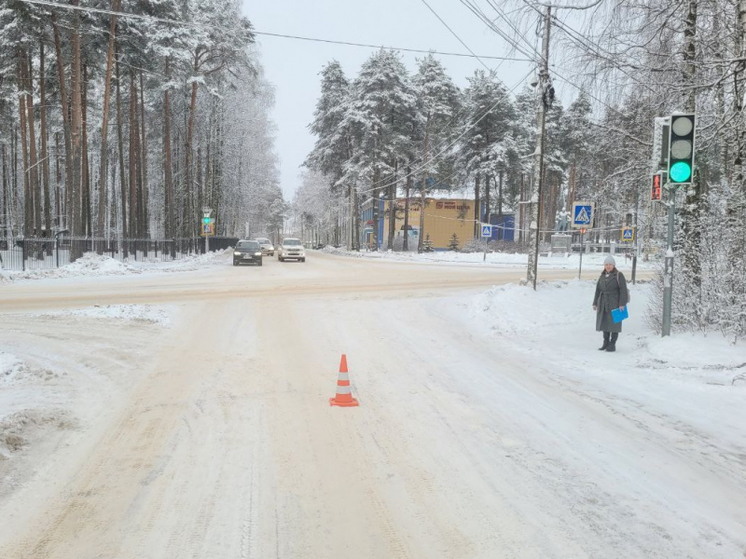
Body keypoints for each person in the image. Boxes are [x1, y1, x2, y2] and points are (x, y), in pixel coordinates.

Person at [592, 255, 629, 352]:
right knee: (604, 323)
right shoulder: (602, 276)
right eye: (606, 264)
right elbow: (598, 290)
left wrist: (622, 303)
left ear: (614, 265)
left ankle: (612, 344)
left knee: (614, 324)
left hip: (615, 302)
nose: (608, 266)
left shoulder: (618, 275)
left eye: (610, 264)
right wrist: (595, 303)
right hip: (603, 303)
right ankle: (605, 343)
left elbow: (623, 290)